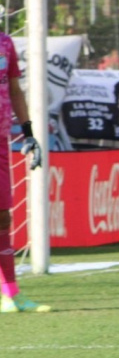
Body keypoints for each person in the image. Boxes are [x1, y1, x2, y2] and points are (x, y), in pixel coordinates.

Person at [0, 30, 49, 313]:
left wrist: (28, 133)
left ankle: (12, 294)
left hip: (2, 139)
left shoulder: (6, 42)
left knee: (3, 217)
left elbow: (15, 89)